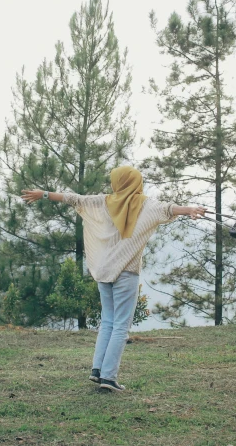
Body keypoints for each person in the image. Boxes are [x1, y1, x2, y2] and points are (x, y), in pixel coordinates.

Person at [21, 165, 205, 392]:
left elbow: (73, 198)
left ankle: (97, 370)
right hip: (126, 272)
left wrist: (44, 194)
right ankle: (108, 377)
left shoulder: (103, 202)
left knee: (108, 321)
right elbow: (169, 209)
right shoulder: (145, 205)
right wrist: (190, 210)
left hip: (103, 270)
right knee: (120, 325)